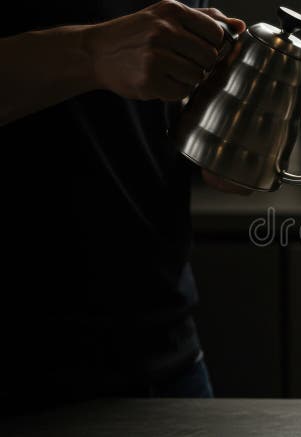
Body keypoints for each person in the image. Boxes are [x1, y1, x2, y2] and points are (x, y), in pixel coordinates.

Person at [0, 0, 247, 412]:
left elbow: (160, 120)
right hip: (20, 374)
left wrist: (226, 134)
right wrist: (92, 52)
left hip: (170, 356)